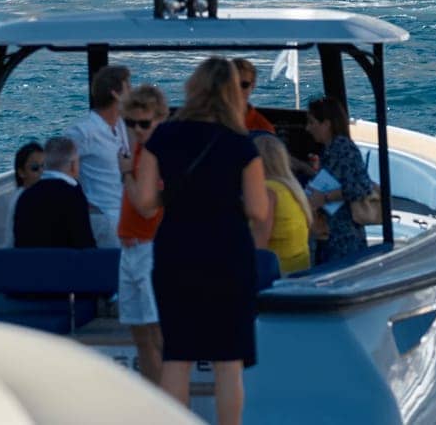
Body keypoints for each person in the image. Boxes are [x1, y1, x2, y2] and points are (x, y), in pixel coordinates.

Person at [127, 57, 269, 425]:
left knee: (178, 355)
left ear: (194, 88)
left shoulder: (163, 138)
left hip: (176, 251)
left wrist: (172, 195)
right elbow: (258, 210)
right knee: (228, 361)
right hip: (227, 253)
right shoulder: (241, 145)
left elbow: (143, 204)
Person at [117, 84, 169, 383]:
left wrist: (125, 173)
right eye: (130, 123)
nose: (137, 129)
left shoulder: (157, 154)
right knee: (141, 333)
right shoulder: (138, 148)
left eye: (144, 123)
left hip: (151, 248)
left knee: (156, 331)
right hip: (131, 247)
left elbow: (147, 207)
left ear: (159, 118)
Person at [305, 96, 378, 267]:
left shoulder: (343, 148)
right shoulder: (330, 150)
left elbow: (362, 187)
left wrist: (325, 198)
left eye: (312, 122)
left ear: (326, 124)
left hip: (344, 236)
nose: (308, 128)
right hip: (330, 233)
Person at [64, 63, 132, 248]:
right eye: (129, 88)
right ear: (115, 93)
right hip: (103, 220)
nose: (132, 95)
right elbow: (58, 173)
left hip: (123, 216)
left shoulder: (120, 126)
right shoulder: (84, 132)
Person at [12, 136, 95, 249]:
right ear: (73, 165)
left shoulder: (25, 196)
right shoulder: (74, 196)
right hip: (64, 264)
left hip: (31, 264)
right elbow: (85, 245)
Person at [253, 134, 312, 275]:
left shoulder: (268, 191)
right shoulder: (293, 189)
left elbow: (258, 246)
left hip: (278, 278)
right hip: (301, 273)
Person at [0, 141, 44, 251]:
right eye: (35, 168)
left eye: (45, 166)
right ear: (21, 172)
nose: (42, 172)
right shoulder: (24, 200)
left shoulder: (33, 195)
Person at [233, 58, 275, 134]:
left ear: (253, 86)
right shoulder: (209, 119)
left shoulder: (263, 129)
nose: (237, 90)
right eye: (232, 84)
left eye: (244, 85)